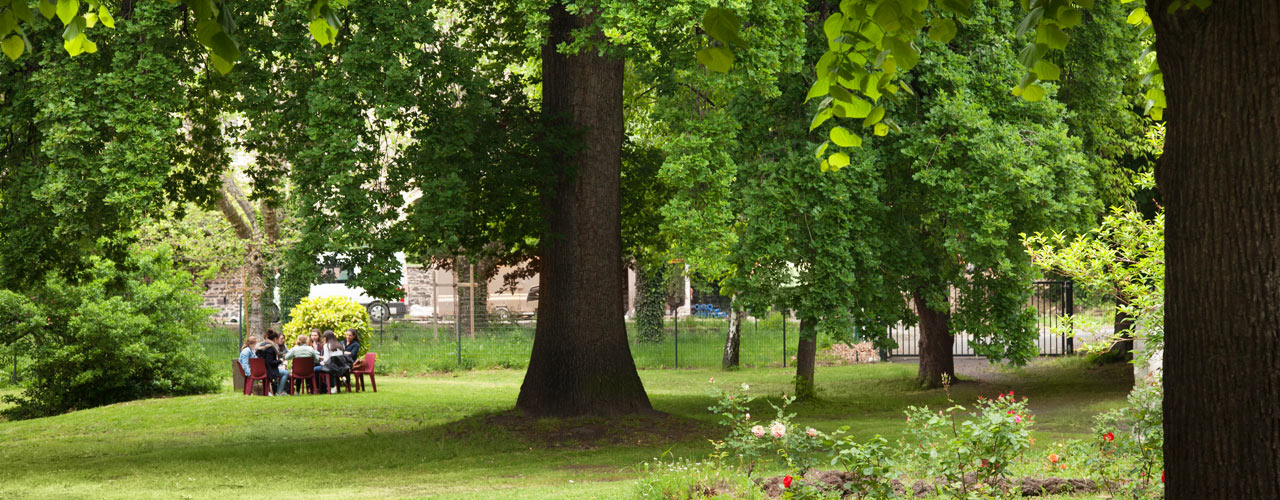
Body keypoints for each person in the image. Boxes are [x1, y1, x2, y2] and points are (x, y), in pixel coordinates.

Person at [256, 330, 287, 395]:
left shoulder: (261, 346)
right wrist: (280, 361)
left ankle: (272, 391)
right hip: (268, 370)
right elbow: (270, 362)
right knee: (286, 373)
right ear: (275, 339)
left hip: (259, 370)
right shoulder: (271, 348)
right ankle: (279, 392)